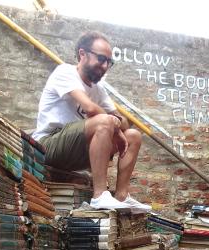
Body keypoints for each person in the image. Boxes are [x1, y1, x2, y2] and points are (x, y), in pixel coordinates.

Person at [32, 31, 150, 211]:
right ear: (82, 54)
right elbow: (91, 108)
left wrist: (116, 126)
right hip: (48, 145)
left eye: (109, 62)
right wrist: (114, 128)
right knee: (104, 121)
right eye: (101, 59)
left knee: (133, 135)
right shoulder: (65, 72)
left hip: (76, 151)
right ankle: (99, 196)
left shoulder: (98, 89)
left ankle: (121, 196)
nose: (104, 66)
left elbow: (124, 122)